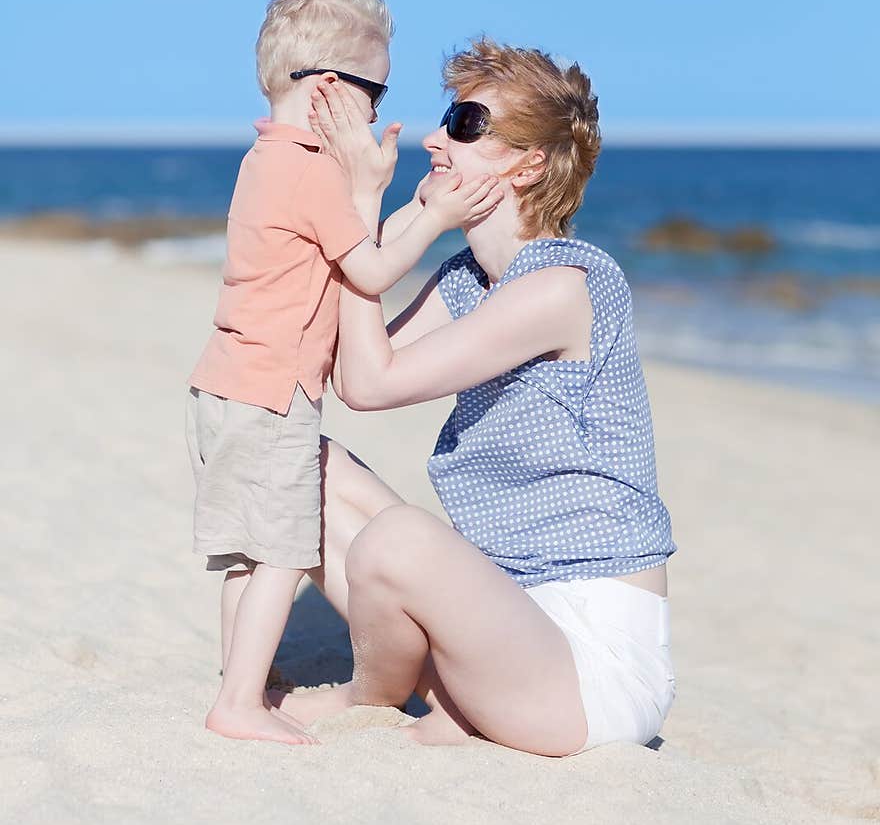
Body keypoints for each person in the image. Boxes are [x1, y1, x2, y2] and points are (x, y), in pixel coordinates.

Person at [273, 37, 677, 757]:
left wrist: (366, 198)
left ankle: (367, 700)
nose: (435, 139)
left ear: (528, 165)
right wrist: (396, 222)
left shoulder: (565, 287)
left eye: (465, 125)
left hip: (589, 670)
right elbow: (348, 363)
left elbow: (371, 385)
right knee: (297, 462)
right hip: (500, 616)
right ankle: (444, 701)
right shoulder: (467, 279)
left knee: (397, 540)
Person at [186, 0, 503, 746]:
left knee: (244, 551)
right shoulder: (307, 170)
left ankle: (246, 678)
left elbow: (342, 254)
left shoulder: (268, 158)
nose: (379, 110)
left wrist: (370, 188)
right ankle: (237, 705)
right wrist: (435, 215)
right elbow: (368, 270)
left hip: (225, 383)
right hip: (273, 393)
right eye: (377, 91)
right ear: (330, 91)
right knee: (281, 554)